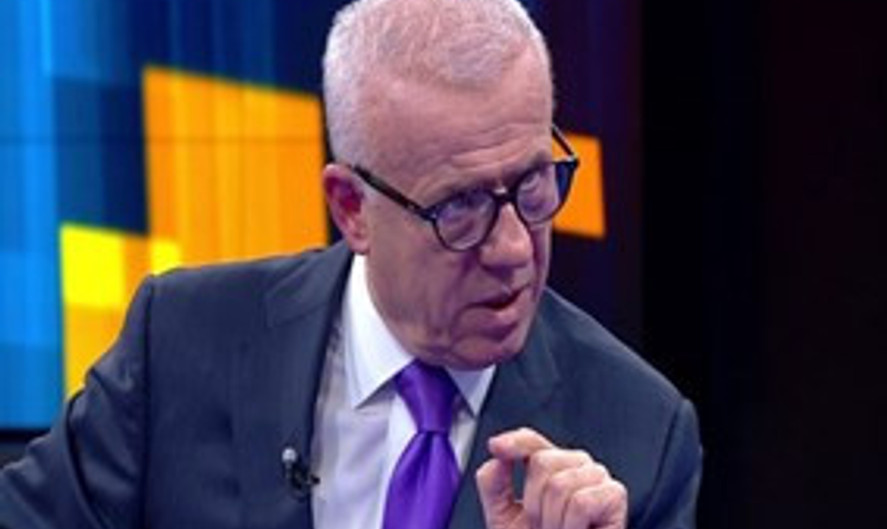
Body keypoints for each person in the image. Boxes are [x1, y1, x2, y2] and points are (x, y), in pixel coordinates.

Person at [0, 0, 702, 527]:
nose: (515, 248)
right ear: (352, 207)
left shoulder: (640, 435)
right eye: (460, 206)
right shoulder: (182, 343)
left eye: (534, 183)